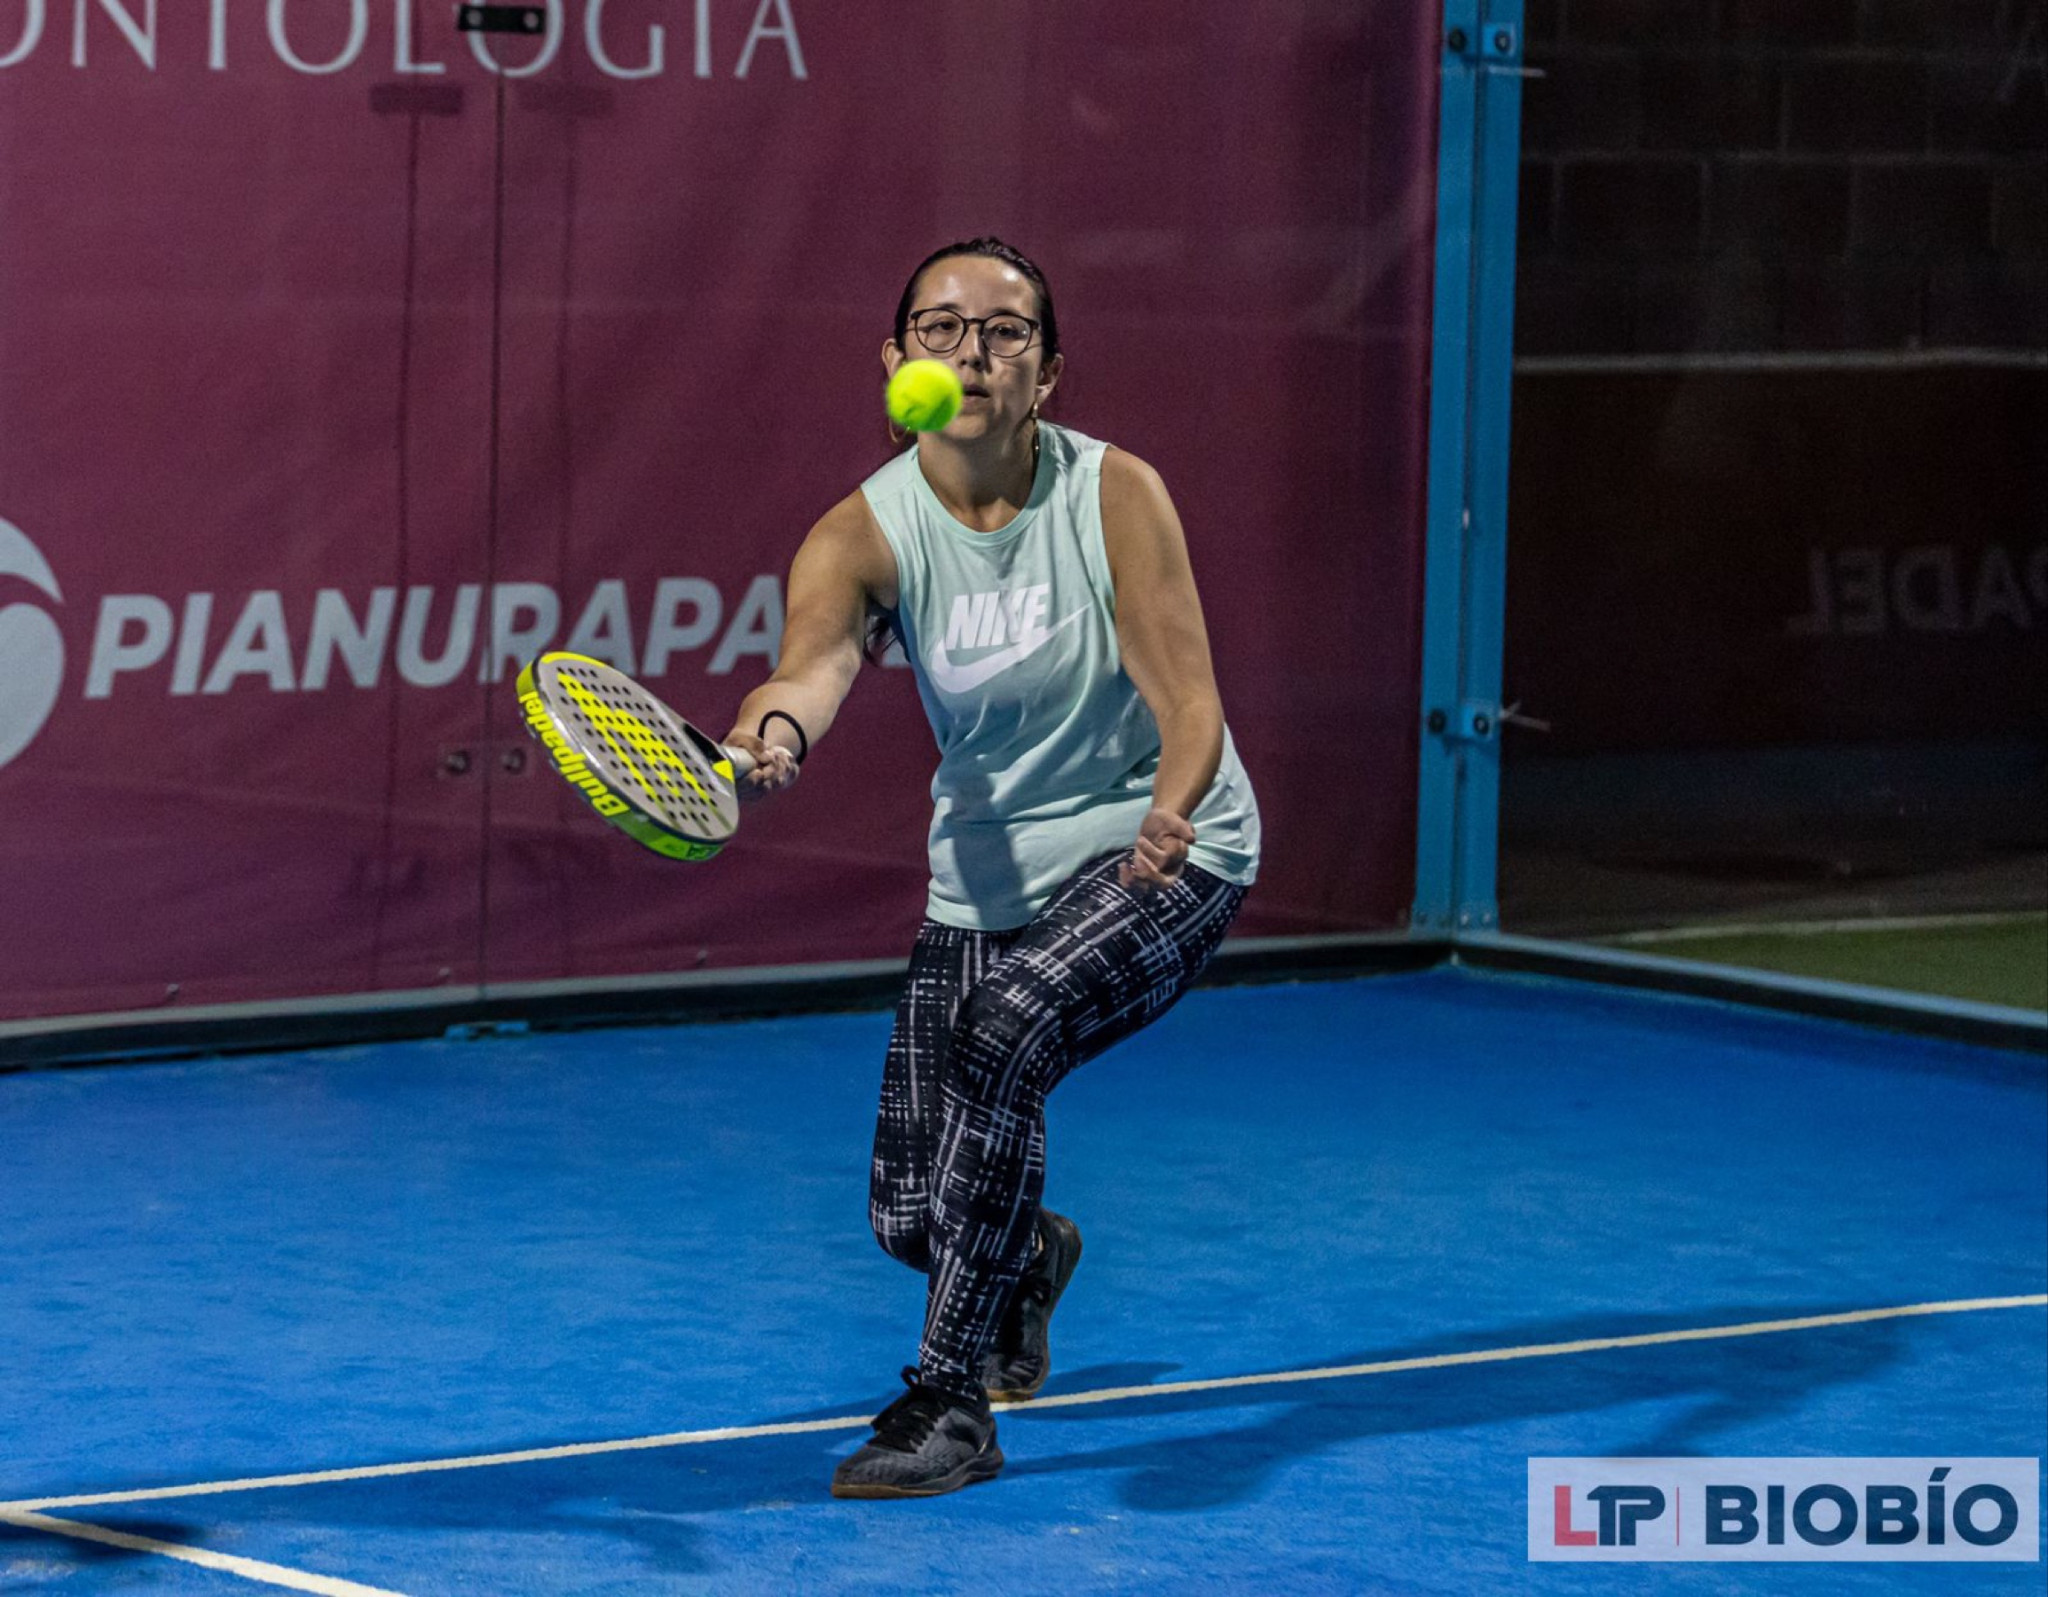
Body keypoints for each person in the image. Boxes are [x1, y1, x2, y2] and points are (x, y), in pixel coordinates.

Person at [721, 237, 1260, 1498]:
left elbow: (1190, 700)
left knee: (1001, 1033)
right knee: (910, 1216)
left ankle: (948, 1404)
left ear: (1046, 374)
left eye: (1005, 332)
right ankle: (1025, 1255)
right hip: (988, 869)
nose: (971, 352)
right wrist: (771, 736)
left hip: (1159, 849)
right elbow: (808, 668)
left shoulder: (1112, 494)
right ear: (895, 360)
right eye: (941, 327)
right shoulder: (862, 531)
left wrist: (1171, 810)